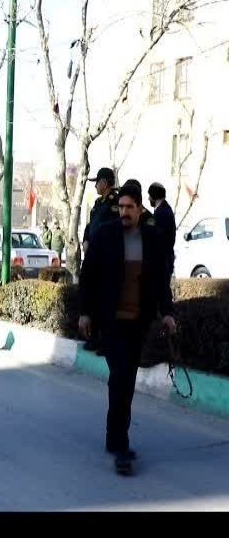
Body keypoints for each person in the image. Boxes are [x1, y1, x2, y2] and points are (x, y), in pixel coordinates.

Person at [78, 183, 176, 476]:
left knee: (125, 381)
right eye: (120, 207)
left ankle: (114, 435)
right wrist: (84, 313)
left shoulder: (153, 238)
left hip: (138, 322)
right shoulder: (104, 235)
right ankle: (122, 447)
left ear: (140, 209)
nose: (123, 212)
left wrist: (168, 313)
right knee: (120, 377)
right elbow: (88, 277)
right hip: (110, 321)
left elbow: (160, 281)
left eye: (129, 207)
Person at [83, 167, 120, 255]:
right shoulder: (98, 202)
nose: (95, 186)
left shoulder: (116, 202)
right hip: (93, 250)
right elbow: (91, 224)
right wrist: (86, 239)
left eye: (97, 182)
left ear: (104, 183)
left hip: (106, 253)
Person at [148, 182, 176, 277]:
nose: (148, 199)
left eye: (149, 196)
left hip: (162, 262)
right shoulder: (165, 209)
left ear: (154, 196)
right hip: (165, 261)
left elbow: (159, 239)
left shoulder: (161, 213)